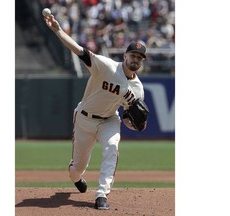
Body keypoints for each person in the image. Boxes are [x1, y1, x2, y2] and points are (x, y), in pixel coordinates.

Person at [44, 14, 147, 210]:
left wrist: (135, 124)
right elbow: (79, 51)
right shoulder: (106, 66)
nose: (136, 59)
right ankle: (76, 176)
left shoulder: (138, 89)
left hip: (110, 120)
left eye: (140, 58)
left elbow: (127, 117)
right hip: (85, 118)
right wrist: (57, 30)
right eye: (133, 55)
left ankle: (102, 194)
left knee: (112, 148)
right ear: (125, 56)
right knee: (78, 168)